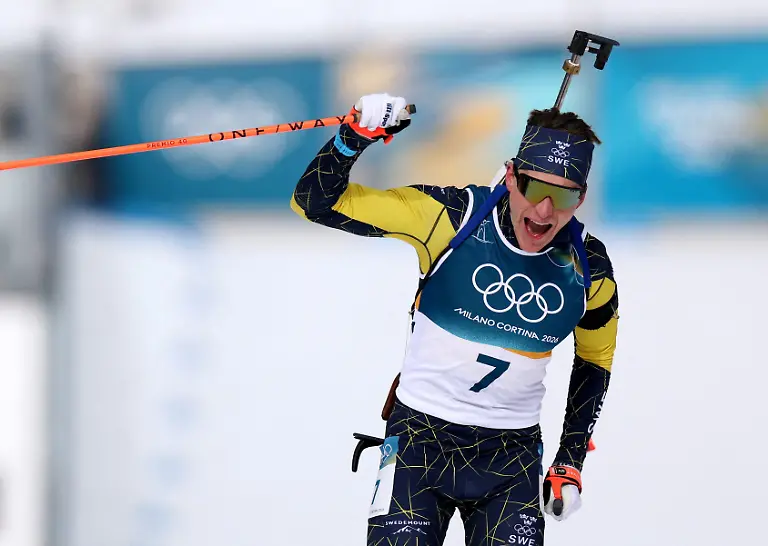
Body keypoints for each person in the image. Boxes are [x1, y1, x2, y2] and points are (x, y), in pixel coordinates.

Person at [290, 93, 619, 546]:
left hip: (511, 460)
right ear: (510, 176)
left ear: (580, 197)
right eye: (534, 188)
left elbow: (595, 361)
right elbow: (313, 203)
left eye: (563, 194)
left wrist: (570, 459)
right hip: (418, 446)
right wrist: (353, 140)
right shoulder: (450, 217)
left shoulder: (589, 267)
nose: (544, 211)